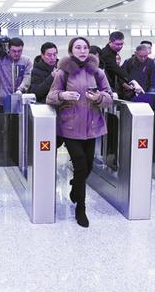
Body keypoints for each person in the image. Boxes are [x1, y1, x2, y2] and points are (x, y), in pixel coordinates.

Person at [46, 37, 113, 227]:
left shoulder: (98, 72)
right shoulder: (63, 72)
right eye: (78, 47)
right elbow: (50, 96)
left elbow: (109, 97)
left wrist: (99, 97)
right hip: (70, 126)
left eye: (85, 47)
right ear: (71, 51)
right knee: (81, 165)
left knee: (88, 166)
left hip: (92, 126)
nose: (82, 51)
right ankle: (81, 208)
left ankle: (76, 189)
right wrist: (62, 95)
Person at [0, 37, 32, 108]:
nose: (16, 53)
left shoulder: (26, 61)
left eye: (19, 51)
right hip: (3, 101)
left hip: (21, 99)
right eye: (14, 51)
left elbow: (27, 77)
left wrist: (20, 90)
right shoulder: (0, 60)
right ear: (9, 49)